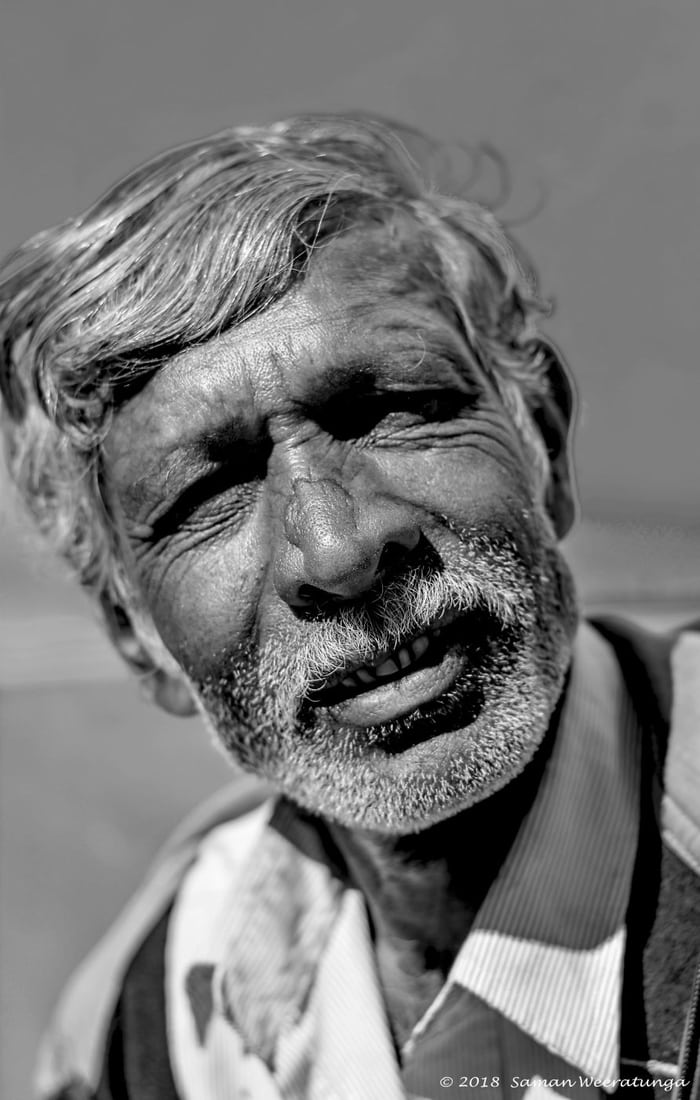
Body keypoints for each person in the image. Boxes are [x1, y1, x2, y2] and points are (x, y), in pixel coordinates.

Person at [0, 114, 698, 1100]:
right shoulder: (153, 1021)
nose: (338, 548)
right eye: (209, 494)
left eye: (387, 407)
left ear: (543, 441)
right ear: (135, 634)